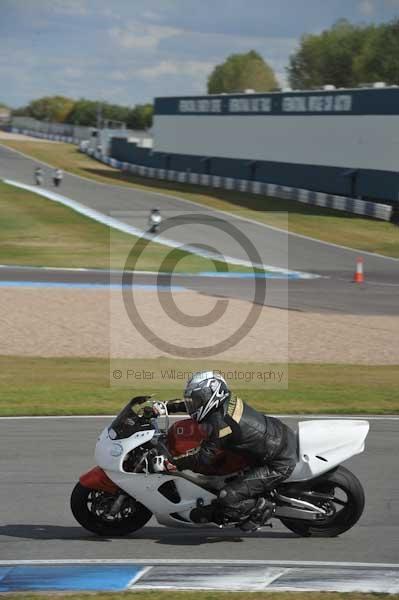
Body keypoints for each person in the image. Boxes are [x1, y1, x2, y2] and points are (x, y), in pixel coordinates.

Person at [165, 371, 297, 532]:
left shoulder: (222, 424)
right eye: (194, 400)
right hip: (276, 436)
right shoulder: (224, 403)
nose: (194, 404)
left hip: (277, 462)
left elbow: (204, 457)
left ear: (212, 396)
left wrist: (174, 462)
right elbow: (198, 406)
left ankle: (261, 509)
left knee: (227, 497)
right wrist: (167, 406)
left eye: (198, 399)